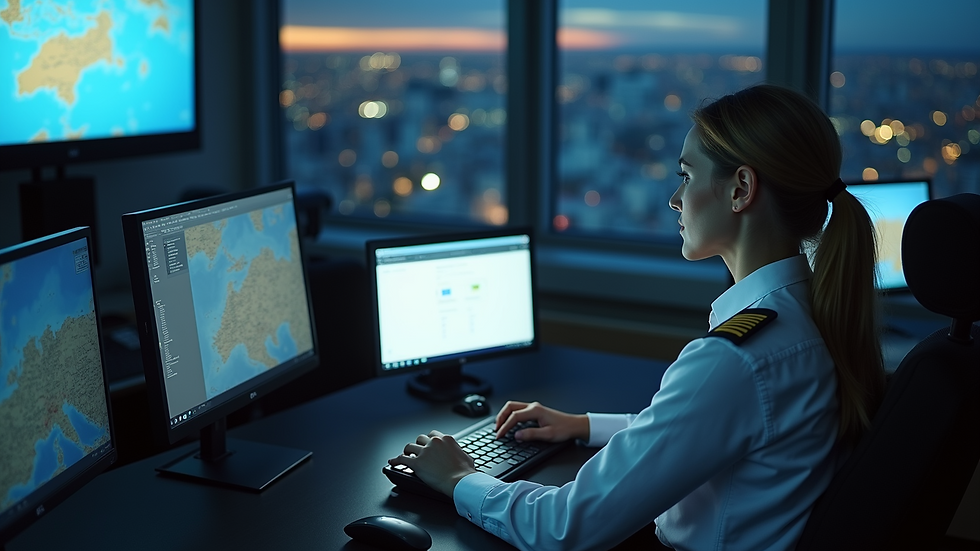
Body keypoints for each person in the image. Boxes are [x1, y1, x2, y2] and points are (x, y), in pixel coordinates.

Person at [389, 84, 887, 551]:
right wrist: (582, 425)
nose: (675, 199)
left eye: (686, 177)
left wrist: (459, 478)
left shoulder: (737, 361)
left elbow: (565, 527)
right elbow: (706, 428)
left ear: (741, 189)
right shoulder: (811, 315)